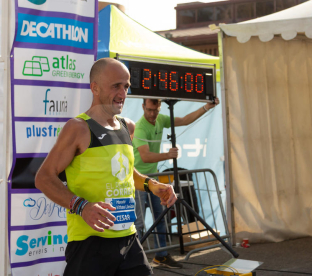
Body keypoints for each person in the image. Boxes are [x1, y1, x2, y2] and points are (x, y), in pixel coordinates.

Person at [35, 58, 178, 276]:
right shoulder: (78, 128)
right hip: (90, 243)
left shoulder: (127, 126)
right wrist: (82, 207)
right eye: (116, 86)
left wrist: (153, 185)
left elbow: (126, 173)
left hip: (128, 239)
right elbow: (44, 178)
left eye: (126, 86)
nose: (123, 92)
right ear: (95, 88)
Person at [133, 97, 219, 269]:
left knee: (161, 217)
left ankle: (161, 256)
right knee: (138, 223)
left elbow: (185, 120)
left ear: (159, 107)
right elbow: (145, 156)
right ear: (143, 106)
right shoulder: (140, 127)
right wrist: (167, 155)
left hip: (153, 178)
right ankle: (134, 261)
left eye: (155, 110)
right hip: (138, 180)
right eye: (149, 110)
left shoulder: (161, 119)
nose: (152, 114)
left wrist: (207, 107)